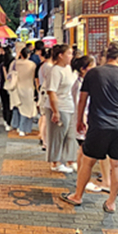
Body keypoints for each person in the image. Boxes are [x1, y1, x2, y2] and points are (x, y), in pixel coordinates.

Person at [64, 42, 118, 213]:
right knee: (117, 165)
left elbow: (82, 100)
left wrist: (79, 121)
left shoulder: (93, 74)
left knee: (88, 161)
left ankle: (77, 196)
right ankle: (111, 202)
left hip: (97, 125)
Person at [46, 44, 78, 174]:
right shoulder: (55, 71)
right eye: (69, 54)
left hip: (69, 106)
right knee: (57, 136)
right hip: (59, 107)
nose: (71, 56)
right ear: (61, 55)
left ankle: (70, 160)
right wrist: (55, 111)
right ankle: (56, 162)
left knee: (70, 135)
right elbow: (51, 92)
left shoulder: (69, 68)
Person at [9, 47, 38, 136]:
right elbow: (34, 77)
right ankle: (23, 128)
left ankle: (16, 125)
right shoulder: (32, 64)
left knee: (17, 107)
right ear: (29, 55)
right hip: (28, 88)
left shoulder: (14, 63)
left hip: (16, 88)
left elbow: (10, 74)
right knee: (27, 110)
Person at [37, 47, 54, 153]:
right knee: (45, 118)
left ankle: (43, 138)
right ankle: (44, 140)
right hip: (46, 92)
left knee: (43, 117)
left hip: (43, 91)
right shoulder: (48, 66)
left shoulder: (43, 65)